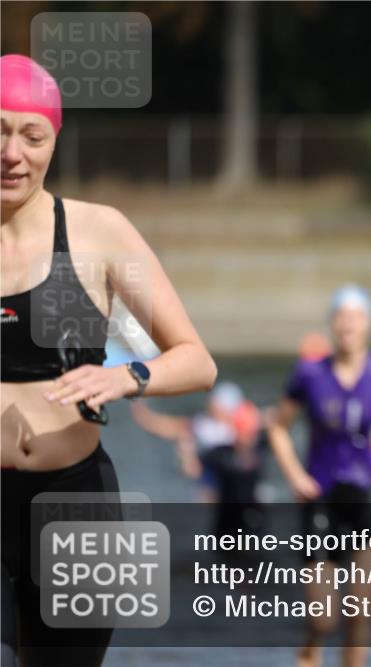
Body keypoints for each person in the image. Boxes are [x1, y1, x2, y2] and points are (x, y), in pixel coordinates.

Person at [1, 55, 217, 666]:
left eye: (31, 135)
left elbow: (196, 361)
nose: (12, 152)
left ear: (53, 140)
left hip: (80, 504)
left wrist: (125, 376)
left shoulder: (99, 232)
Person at [268, 285, 371, 667]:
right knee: (324, 618)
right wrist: (294, 474)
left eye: (357, 315)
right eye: (341, 315)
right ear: (331, 322)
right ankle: (309, 654)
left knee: (360, 610)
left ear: (368, 324)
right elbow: (277, 428)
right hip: (321, 496)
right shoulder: (310, 374)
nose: (348, 323)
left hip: (368, 498)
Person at [130, 382, 263, 537]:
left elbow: (271, 421)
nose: (215, 406)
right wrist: (141, 412)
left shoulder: (242, 426)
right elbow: (166, 427)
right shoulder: (201, 424)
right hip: (209, 478)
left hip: (233, 485)